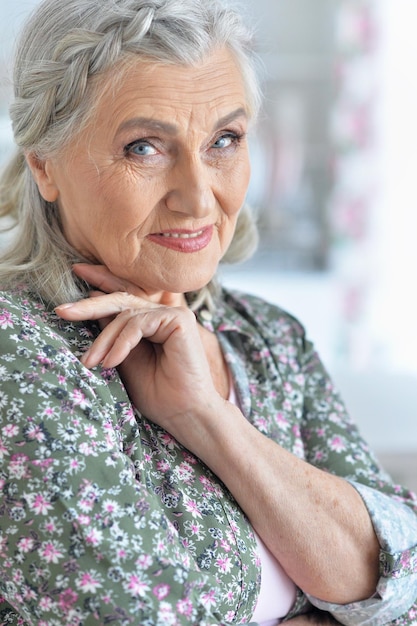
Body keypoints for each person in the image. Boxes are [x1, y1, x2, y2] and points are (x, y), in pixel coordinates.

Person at [0, 0, 416, 624]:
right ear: (44, 165)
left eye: (224, 139)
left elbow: (403, 576)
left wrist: (208, 418)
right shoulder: (20, 353)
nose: (198, 196)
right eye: (143, 147)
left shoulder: (268, 338)